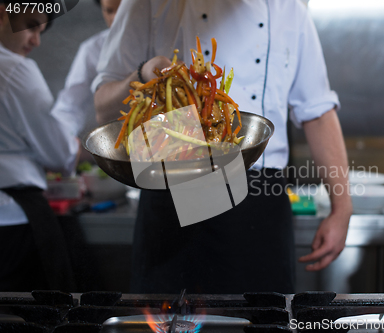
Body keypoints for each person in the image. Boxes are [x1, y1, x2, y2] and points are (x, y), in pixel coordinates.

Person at [93, 0, 352, 294]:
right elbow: (103, 108)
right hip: (173, 192)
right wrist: (142, 75)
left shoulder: (288, 8)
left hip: (260, 196)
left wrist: (342, 209)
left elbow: (317, 113)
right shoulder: (147, 3)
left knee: (263, 320)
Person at [0, 0, 79, 291]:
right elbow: (58, 153)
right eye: (31, 26)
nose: (36, 40)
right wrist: (73, 146)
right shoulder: (14, 69)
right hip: (12, 220)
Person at [51, 0, 121, 139]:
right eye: (109, 11)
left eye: (124, 11)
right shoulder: (92, 50)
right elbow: (70, 106)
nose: (116, 18)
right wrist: (65, 141)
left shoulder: (165, 45)